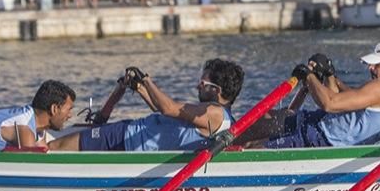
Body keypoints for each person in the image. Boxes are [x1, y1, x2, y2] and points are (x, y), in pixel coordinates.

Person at [243, 40, 380, 149]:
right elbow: (345, 99)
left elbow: (329, 103)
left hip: (319, 138)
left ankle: (222, 156)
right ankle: (223, 141)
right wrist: (329, 74)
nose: (370, 68)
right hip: (319, 124)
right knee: (269, 118)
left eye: (377, 65)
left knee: (252, 147)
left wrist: (308, 75)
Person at [48, 59, 244, 152]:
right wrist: (140, 87)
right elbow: (164, 114)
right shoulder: (216, 116)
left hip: (126, 138)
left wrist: (147, 80)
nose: (197, 86)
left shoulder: (213, 112)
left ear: (217, 90)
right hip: (131, 137)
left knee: (56, 146)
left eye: (202, 83)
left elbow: (168, 107)